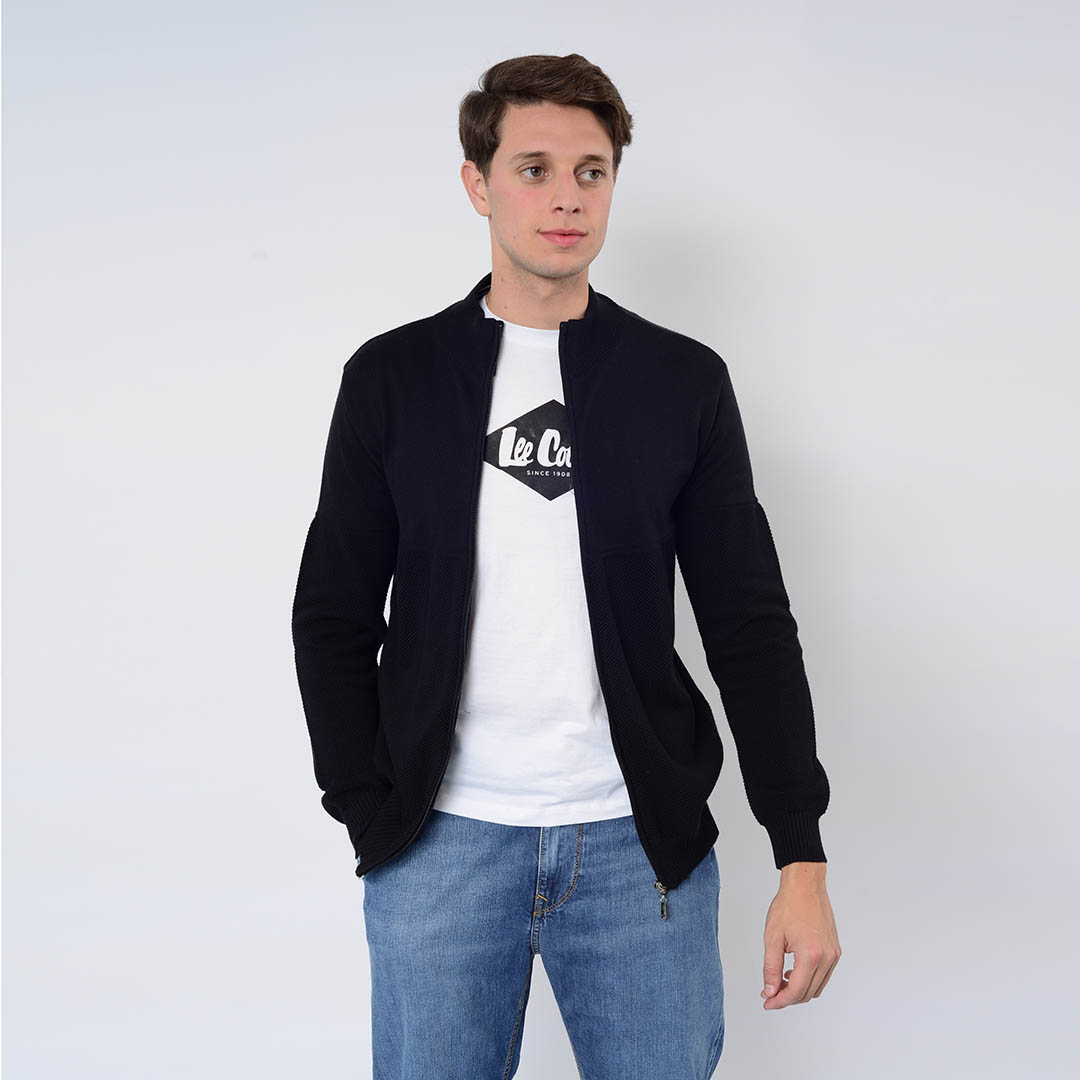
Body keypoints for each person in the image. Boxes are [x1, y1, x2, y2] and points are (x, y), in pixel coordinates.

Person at [291, 51, 841, 1079]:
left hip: (640, 851)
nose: (567, 198)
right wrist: (365, 803)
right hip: (441, 845)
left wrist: (798, 851)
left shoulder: (680, 381)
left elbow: (750, 626)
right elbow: (333, 612)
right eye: (534, 169)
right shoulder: (394, 378)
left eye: (592, 172)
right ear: (478, 183)